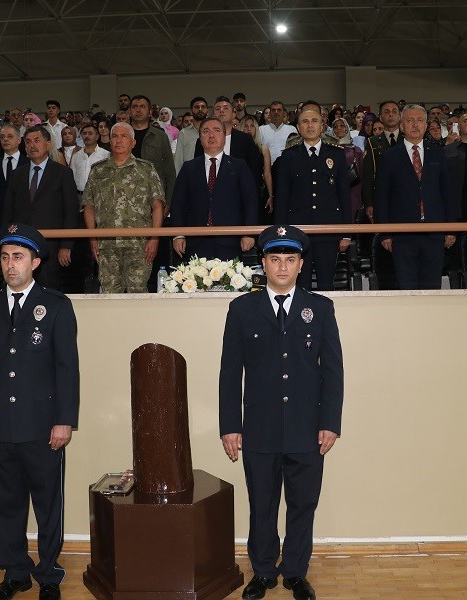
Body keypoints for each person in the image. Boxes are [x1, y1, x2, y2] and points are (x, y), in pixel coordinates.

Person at [219, 224, 344, 600]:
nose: (283, 267)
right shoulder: (242, 309)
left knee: (303, 503)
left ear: (302, 264)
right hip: (259, 427)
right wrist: (230, 426)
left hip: (308, 428)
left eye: (290, 259)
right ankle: (262, 571)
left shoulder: (320, 308)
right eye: (275, 259)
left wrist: (329, 423)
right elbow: (230, 371)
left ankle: (295, 572)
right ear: (264, 263)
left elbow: (333, 370)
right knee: (262, 504)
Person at [0, 222, 80, 600]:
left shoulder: (57, 306)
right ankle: (15, 573)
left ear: (35, 261)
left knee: (48, 505)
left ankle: (48, 574)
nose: (10, 265)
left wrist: (65, 420)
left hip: (41, 426)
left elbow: (67, 368)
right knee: (7, 505)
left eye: (18, 257)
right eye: (4, 257)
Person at [374, 104, 457, 289]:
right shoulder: (388, 157)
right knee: (406, 286)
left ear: (426, 125)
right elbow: (382, 197)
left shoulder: (438, 153)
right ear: (401, 126)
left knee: (432, 287)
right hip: (402, 233)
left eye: (420, 120)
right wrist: (385, 233)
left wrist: (451, 228)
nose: (415, 125)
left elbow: (447, 193)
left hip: (434, 231)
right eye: (410, 120)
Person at [275, 102, 351, 291]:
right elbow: (282, 198)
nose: (310, 125)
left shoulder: (337, 155)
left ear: (322, 125)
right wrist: (280, 233)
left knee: (327, 282)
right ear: (298, 127)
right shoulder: (288, 157)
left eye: (314, 121)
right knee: (301, 284)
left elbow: (344, 196)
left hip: (329, 229)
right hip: (297, 230)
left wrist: (347, 233)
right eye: (305, 122)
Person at [81, 123, 164, 293]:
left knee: (138, 293)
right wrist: (92, 239)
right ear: (109, 142)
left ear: (133, 142)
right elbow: (89, 206)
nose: (118, 140)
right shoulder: (98, 170)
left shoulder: (146, 169)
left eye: (123, 136)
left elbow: (157, 206)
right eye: (114, 136)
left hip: (139, 244)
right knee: (109, 294)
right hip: (107, 244)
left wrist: (154, 238)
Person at [170, 116, 258, 261]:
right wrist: (178, 234)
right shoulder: (188, 168)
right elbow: (178, 204)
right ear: (200, 138)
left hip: (231, 241)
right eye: (205, 131)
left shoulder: (239, 166)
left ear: (224, 137)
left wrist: (248, 232)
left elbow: (250, 202)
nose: (211, 135)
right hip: (195, 242)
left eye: (217, 130)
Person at [3, 125, 80, 290]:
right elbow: (8, 211)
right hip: (21, 246)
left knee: (49, 291)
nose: (32, 145)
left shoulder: (63, 173)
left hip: (51, 246)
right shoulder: (17, 175)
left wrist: (66, 246)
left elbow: (71, 212)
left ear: (48, 144)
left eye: (37, 140)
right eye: (28, 142)